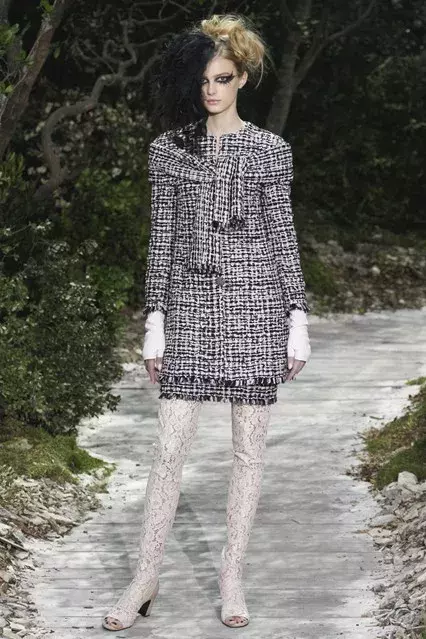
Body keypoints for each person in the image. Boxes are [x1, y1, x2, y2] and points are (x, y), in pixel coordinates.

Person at [102, 13, 311, 632]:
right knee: (168, 449)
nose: (211, 90)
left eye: (222, 78)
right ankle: (145, 576)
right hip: (190, 311)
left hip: (257, 310)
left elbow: (282, 235)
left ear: (242, 78)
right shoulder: (168, 150)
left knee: (248, 454)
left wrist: (297, 315)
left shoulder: (270, 151)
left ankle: (231, 577)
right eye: (202, 80)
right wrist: (155, 319)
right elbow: (161, 240)